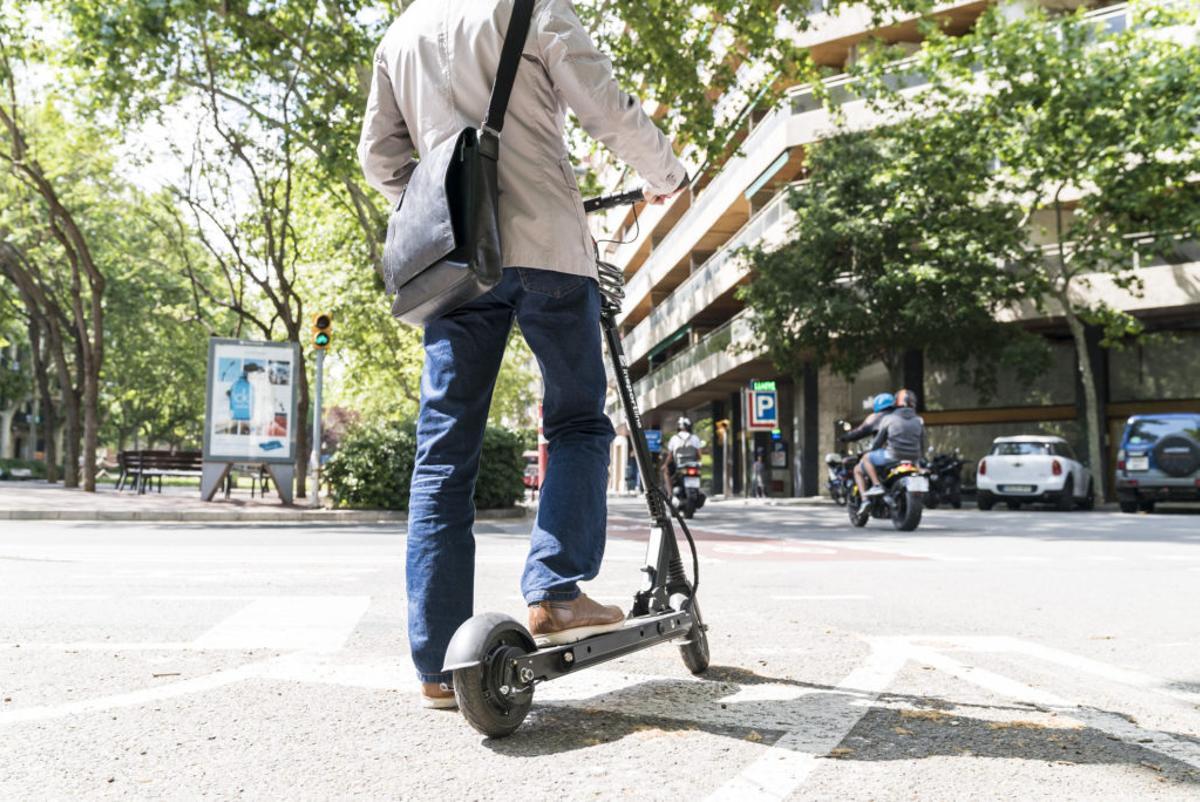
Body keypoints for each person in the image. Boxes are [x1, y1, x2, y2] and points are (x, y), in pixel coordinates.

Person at [359, 0, 688, 710]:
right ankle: (556, 592)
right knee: (576, 422)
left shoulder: (400, 33)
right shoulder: (531, 7)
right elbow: (603, 104)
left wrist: (441, 207)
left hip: (454, 266)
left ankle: (439, 663)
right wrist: (665, 173)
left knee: (443, 454)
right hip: (548, 252)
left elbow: (380, 157)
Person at [860, 389, 927, 511]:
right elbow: (922, 443)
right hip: (914, 458)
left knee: (866, 458)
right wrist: (920, 457)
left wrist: (873, 449)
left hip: (893, 455)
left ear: (896, 403)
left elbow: (878, 441)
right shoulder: (919, 420)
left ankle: (876, 485)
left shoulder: (890, 418)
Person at [848, 393, 896, 507]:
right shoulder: (899, 416)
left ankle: (867, 498)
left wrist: (845, 437)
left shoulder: (876, 417)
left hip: (887, 454)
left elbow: (860, 431)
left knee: (859, 467)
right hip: (906, 456)